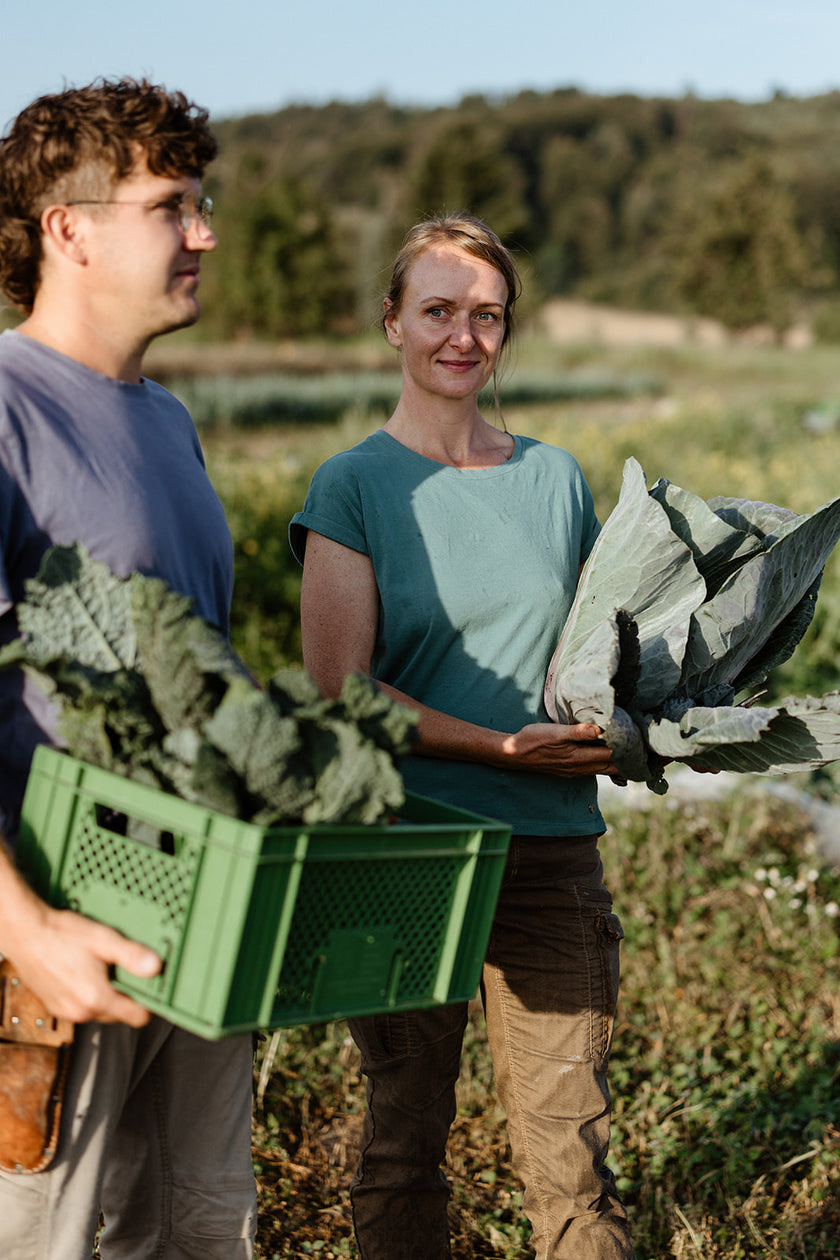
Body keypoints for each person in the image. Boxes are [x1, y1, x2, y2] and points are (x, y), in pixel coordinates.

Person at [289, 214, 635, 1260]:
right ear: (393, 321)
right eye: (438, 309)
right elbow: (344, 691)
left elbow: (594, 652)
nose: (463, 336)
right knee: (404, 1145)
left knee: (574, 1165)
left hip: (551, 855)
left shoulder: (556, 478)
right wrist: (497, 749)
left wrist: (633, 721)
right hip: (411, 849)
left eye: (487, 315)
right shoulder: (354, 485)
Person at [0, 79, 257, 1258]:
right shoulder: (9, 410)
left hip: (191, 918)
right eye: (172, 207)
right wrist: (28, 930)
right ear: (71, 228)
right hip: (59, 939)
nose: (205, 234)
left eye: (200, 204)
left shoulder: (164, 420)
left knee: (197, 1231)